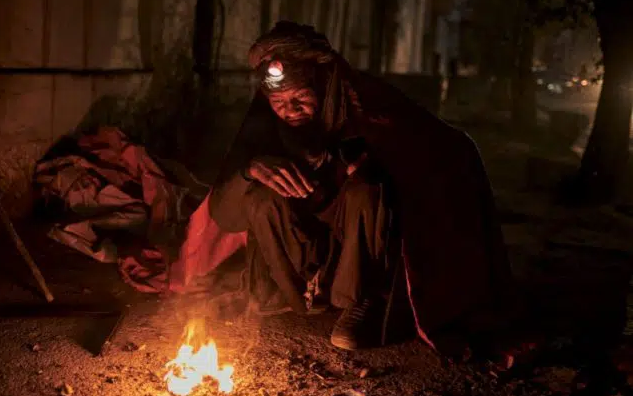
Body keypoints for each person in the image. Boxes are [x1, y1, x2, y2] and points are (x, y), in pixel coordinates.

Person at [208, 21, 514, 356]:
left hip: (353, 241)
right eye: (278, 100)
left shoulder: (363, 105)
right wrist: (250, 170)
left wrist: (371, 167)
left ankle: (360, 301)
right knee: (260, 196)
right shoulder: (264, 124)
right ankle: (287, 291)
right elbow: (225, 216)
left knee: (366, 190)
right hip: (301, 248)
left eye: (301, 98)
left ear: (323, 86)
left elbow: (441, 151)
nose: (289, 110)